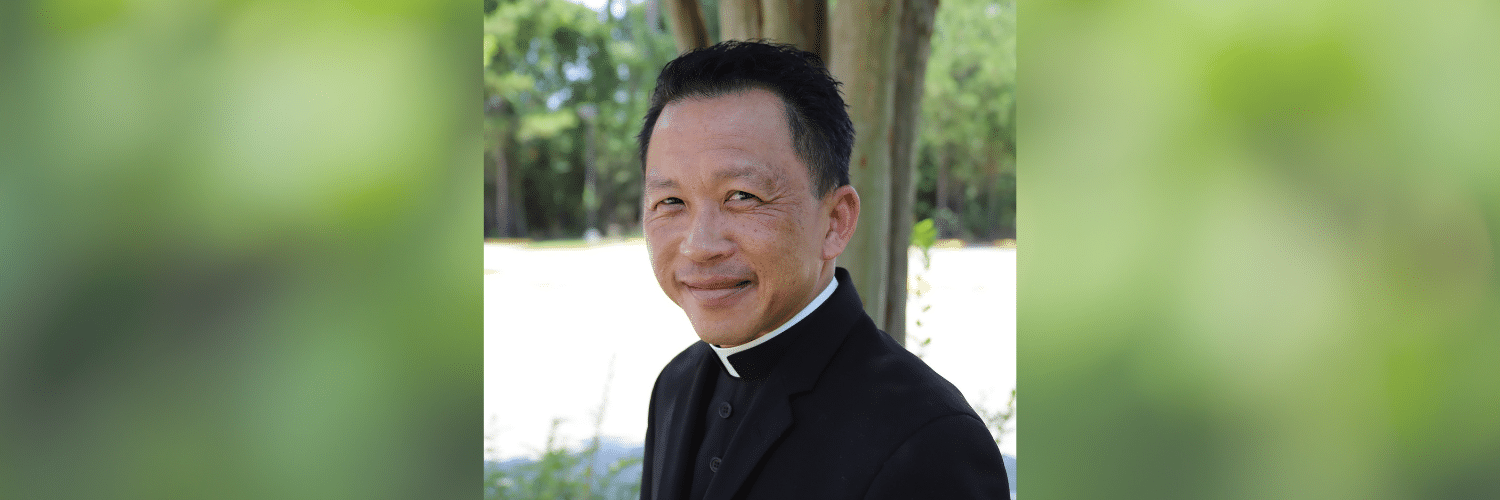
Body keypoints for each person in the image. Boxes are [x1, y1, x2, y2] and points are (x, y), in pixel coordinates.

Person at [636, 40, 1009, 500]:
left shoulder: (926, 436)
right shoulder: (675, 385)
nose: (700, 245)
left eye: (742, 196)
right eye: (671, 202)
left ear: (835, 221)